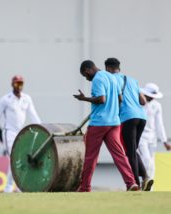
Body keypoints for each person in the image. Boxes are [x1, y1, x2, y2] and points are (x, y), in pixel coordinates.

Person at [73, 60, 138, 192]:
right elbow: (120, 99)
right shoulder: (112, 77)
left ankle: (85, 187)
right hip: (114, 122)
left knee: (90, 156)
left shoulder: (97, 79)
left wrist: (84, 98)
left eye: (85, 76)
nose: (87, 79)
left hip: (99, 123)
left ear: (88, 70)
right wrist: (113, 110)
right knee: (119, 155)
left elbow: (101, 99)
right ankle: (131, 183)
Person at [104, 58, 152, 191]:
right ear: (119, 67)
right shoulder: (132, 80)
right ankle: (146, 177)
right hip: (142, 117)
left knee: (129, 152)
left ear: (107, 68)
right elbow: (143, 101)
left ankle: (135, 183)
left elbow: (113, 100)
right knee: (132, 149)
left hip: (127, 117)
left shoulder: (111, 80)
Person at [0, 75, 41, 193]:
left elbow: (33, 115)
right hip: (8, 132)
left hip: (21, 133)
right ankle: (9, 187)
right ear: (12, 84)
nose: (18, 86)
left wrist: (41, 127)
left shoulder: (27, 98)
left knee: (21, 159)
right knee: (14, 158)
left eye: (21, 84)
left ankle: (18, 186)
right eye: (16, 84)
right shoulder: (6, 99)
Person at [138, 83, 171, 183]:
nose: (152, 98)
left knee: (151, 163)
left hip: (152, 138)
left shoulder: (157, 105)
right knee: (146, 160)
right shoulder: (138, 103)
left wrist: (164, 141)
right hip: (141, 136)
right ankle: (142, 182)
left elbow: (159, 123)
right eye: (150, 96)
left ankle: (149, 188)